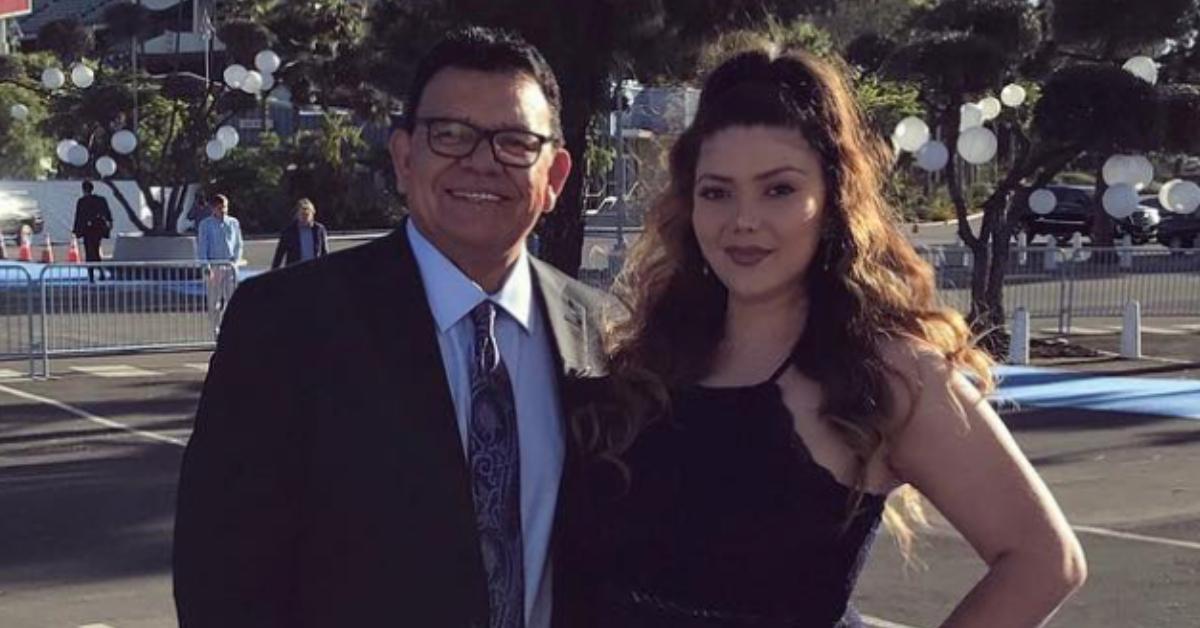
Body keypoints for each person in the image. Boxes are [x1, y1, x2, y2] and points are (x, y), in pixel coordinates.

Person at [561, 48, 1087, 627]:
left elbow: (1044, 559)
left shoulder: (886, 371)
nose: (743, 219)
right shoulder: (650, 353)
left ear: (833, 199)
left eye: (778, 190)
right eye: (717, 192)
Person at [173, 27, 610, 628]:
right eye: (450, 135)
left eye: (514, 142)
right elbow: (223, 579)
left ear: (555, 177)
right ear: (405, 158)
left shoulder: (605, 334)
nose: (482, 162)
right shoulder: (286, 327)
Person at [195, 194, 243, 333]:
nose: (224, 211)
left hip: (230, 266)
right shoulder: (205, 224)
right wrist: (205, 265)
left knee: (232, 300)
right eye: (220, 208)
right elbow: (202, 246)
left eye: (225, 207)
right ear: (213, 208)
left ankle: (230, 328)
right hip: (214, 266)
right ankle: (215, 329)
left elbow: (238, 243)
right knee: (214, 301)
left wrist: (236, 260)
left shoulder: (233, 222)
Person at [270, 198, 329, 269]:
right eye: (302, 214)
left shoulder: (319, 230)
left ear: (312, 214)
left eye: (307, 214)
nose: (304, 217)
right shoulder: (288, 231)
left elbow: (325, 254)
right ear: (297, 214)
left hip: (315, 271)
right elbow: (279, 256)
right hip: (295, 273)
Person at [72, 180, 113, 280]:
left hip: (87, 230)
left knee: (89, 252)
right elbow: (107, 212)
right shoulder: (100, 200)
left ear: (83, 189)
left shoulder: (82, 202)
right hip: (98, 229)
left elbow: (79, 216)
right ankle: (100, 273)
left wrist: (76, 230)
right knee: (95, 250)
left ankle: (91, 275)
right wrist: (109, 223)